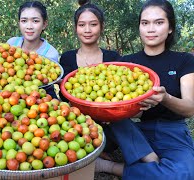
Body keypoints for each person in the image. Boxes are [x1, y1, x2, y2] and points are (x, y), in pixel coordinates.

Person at [96, 0, 194, 179]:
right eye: (145, 23)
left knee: (183, 173)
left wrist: (165, 98)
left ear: (170, 27)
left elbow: (189, 108)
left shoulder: (184, 60)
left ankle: (111, 167)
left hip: (173, 131)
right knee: (115, 115)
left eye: (159, 22)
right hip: (134, 130)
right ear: (139, 27)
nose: (151, 29)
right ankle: (150, 162)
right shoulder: (126, 63)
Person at [59, 0, 120, 102]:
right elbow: (64, 97)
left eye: (93, 24)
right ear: (76, 28)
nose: (87, 30)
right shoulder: (67, 58)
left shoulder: (113, 58)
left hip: (109, 117)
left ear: (102, 27)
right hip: (78, 116)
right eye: (82, 25)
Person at [7, 1, 60, 99]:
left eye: (35, 21)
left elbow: (45, 83)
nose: (29, 26)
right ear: (19, 23)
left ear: (44, 24)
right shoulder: (11, 44)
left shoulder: (50, 53)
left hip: (39, 99)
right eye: (24, 21)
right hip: (9, 96)